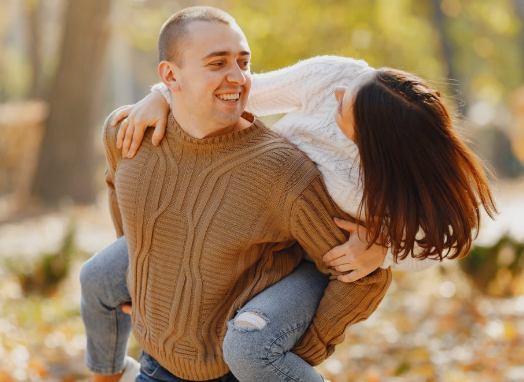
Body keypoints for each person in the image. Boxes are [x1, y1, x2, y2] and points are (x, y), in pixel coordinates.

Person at [80, 6, 393, 382]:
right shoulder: (127, 133)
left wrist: (300, 352)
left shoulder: (282, 172)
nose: (238, 78)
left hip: (236, 372)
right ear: (169, 76)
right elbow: (120, 194)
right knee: (95, 277)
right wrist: (142, 279)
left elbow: (364, 278)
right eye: (217, 64)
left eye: (243, 63)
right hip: (155, 365)